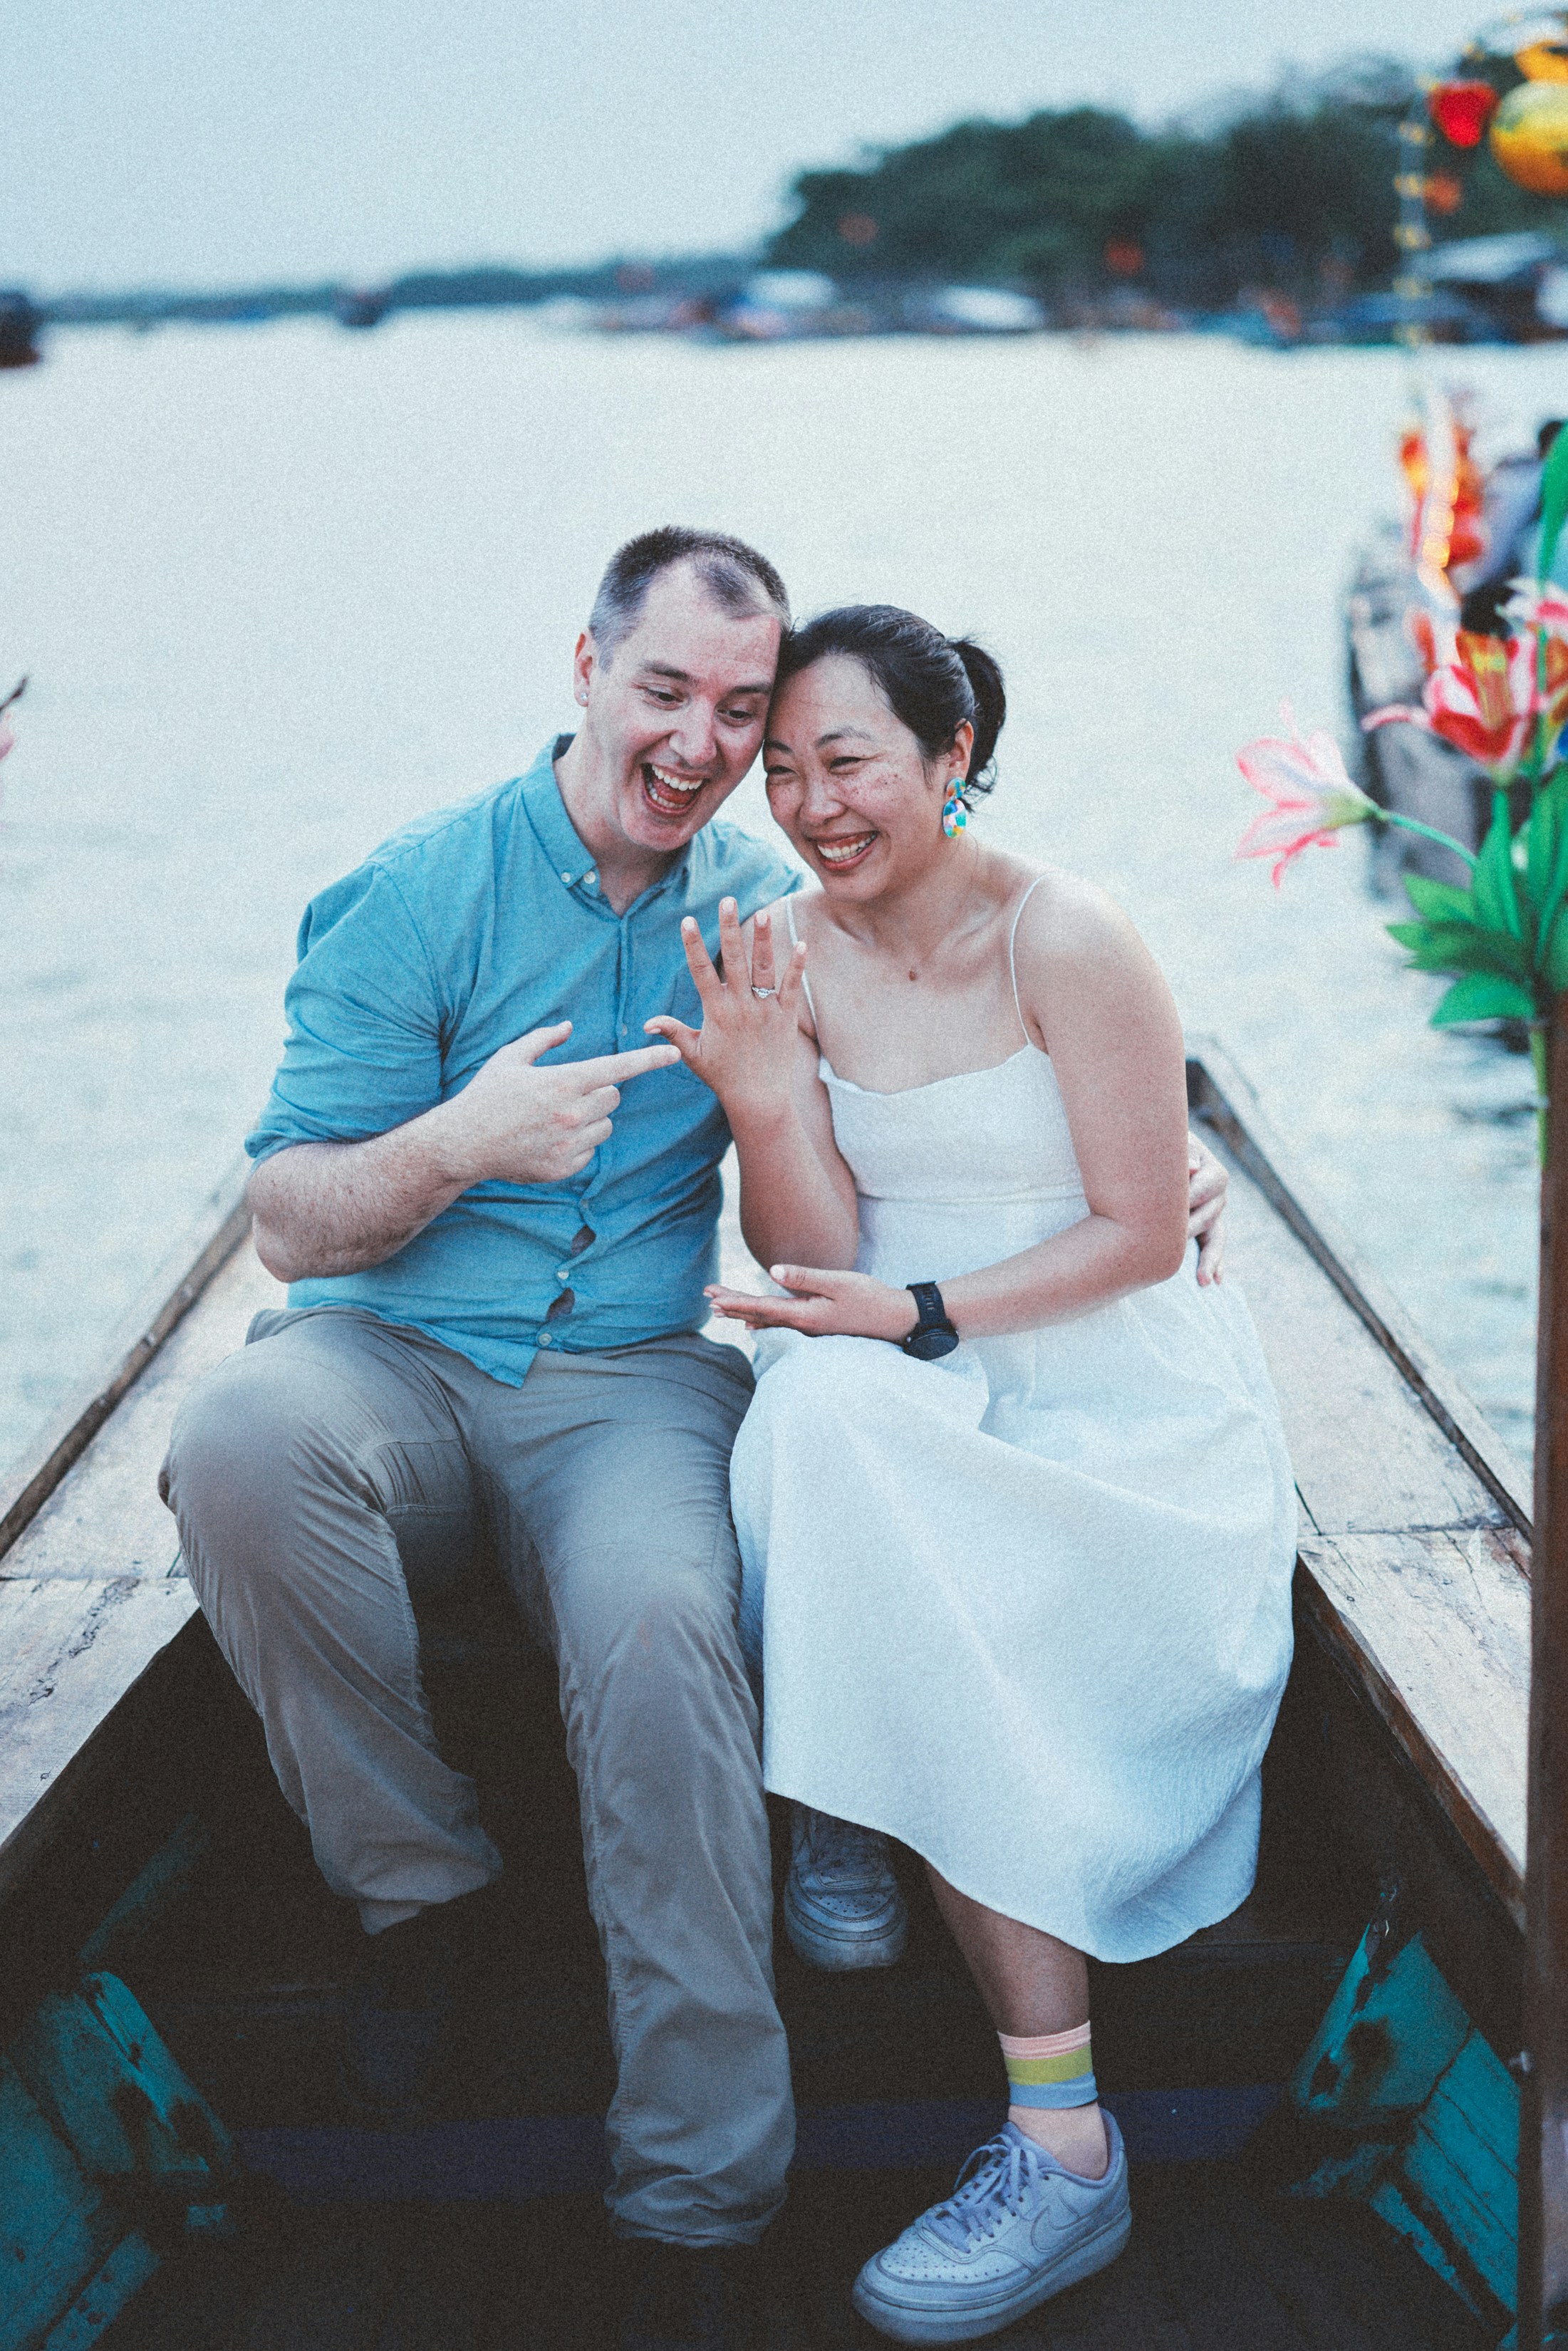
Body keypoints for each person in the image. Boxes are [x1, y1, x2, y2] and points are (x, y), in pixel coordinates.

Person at [158, 535, 1230, 2351]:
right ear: (583, 664)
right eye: (670, 694)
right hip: (393, 1354)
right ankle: (419, 1895)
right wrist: (456, 1145)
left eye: (749, 715)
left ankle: (700, 2194)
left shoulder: (771, 906)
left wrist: (1148, 1173)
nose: (709, 746)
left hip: (632, 1386)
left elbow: (886, 1140)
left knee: (664, 1631)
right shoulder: (411, 894)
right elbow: (288, 1220)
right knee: (240, 1440)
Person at [647, 605, 1296, 2345]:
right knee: (819, 1410)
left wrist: (923, 1307)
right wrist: (773, 1107)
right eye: (780, 769)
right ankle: (860, 1812)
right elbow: (808, 1262)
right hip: (896, 1361)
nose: (811, 803)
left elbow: (1149, 1231)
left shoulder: (1067, 935)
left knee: (861, 1414)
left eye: (847, 759)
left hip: (1112, 1397)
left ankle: (1055, 2141)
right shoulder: (780, 945)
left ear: (951, 757)